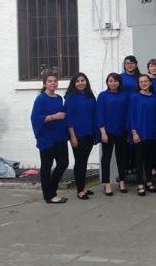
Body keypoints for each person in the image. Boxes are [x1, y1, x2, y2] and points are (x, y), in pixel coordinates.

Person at [30, 73, 69, 204]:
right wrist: (54, 117)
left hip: (60, 137)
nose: (53, 83)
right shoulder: (41, 99)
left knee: (63, 163)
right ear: (45, 83)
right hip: (47, 138)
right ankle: (50, 196)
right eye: (50, 81)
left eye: (55, 81)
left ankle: (51, 190)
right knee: (47, 166)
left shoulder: (59, 98)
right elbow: (35, 118)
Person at [65, 72, 97, 200]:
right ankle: (79, 190)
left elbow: (95, 114)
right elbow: (69, 119)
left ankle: (82, 187)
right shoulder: (70, 97)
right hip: (77, 135)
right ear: (74, 83)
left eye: (83, 80)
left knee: (84, 161)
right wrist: (72, 136)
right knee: (80, 162)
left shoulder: (90, 96)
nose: (80, 83)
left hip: (89, 133)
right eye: (77, 81)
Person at [97, 73, 130, 195]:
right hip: (107, 132)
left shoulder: (125, 96)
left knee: (121, 157)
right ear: (107, 82)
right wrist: (102, 132)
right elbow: (99, 114)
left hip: (121, 131)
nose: (113, 83)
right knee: (106, 157)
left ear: (119, 83)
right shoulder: (103, 96)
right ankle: (107, 183)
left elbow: (127, 113)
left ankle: (122, 181)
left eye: (115, 81)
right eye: (110, 81)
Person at [129, 74, 156, 196]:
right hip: (139, 132)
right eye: (141, 82)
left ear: (150, 83)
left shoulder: (155, 97)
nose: (144, 83)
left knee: (150, 158)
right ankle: (140, 183)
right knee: (139, 159)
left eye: (146, 81)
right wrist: (134, 132)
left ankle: (149, 181)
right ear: (139, 84)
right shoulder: (134, 97)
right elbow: (132, 115)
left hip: (152, 132)